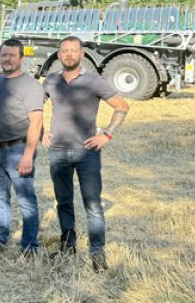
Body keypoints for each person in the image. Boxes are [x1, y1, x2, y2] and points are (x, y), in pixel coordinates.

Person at [42, 35, 130, 272]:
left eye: (73, 50)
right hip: (58, 151)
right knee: (63, 202)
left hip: (87, 152)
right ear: (59, 55)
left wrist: (107, 134)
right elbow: (34, 108)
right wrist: (41, 131)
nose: (68, 54)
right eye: (64, 51)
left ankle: (97, 252)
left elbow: (122, 106)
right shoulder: (50, 81)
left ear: (82, 54)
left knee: (92, 205)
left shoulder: (94, 81)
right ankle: (68, 246)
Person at [0, 38, 43, 256]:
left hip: (18, 150)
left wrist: (28, 155)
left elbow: (36, 121)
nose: (6, 59)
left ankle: (29, 246)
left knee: (26, 200)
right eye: (3, 55)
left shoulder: (31, 86)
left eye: (11, 55)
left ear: (21, 58)